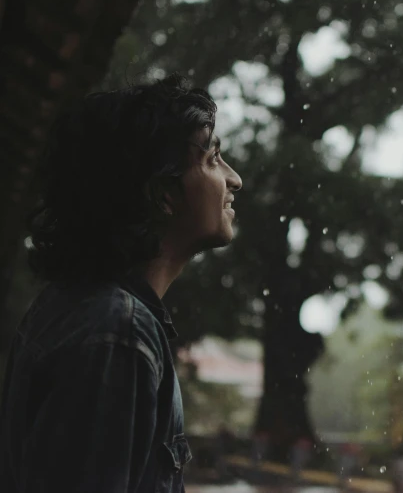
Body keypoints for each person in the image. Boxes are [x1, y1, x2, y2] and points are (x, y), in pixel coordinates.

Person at [0, 74, 242, 493]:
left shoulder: (81, 309)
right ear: (164, 195)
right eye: (211, 160)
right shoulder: (117, 333)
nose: (234, 178)